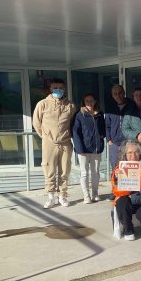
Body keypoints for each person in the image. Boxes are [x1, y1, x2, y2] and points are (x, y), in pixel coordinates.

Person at [32, 78, 76, 208]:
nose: (58, 90)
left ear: (64, 89)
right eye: (55, 88)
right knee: (49, 170)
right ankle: (51, 197)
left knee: (65, 171)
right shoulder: (42, 104)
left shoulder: (70, 105)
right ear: (50, 89)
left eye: (60, 88)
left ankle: (62, 196)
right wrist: (46, 137)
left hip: (65, 142)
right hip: (49, 143)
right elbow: (36, 123)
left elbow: (73, 123)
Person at [72, 93, 105, 203]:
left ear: (95, 102)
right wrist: (79, 148)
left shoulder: (99, 114)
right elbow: (75, 132)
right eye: (87, 101)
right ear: (84, 103)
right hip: (83, 149)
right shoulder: (79, 115)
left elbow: (103, 128)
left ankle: (95, 193)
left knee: (95, 172)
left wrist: (101, 137)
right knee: (84, 173)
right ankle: (86, 195)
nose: (89, 103)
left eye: (91, 100)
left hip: (96, 148)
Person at [105, 84, 133, 186]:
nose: (118, 96)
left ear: (124, 93)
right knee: (115, 166)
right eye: (115, 94)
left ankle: (129, 189)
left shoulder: (131, 104)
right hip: (114, 142)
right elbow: (107, 125)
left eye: (120, 93)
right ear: (112, 95)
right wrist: (109, 139)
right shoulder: (110, 106)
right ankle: (116, 189)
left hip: (129, 142)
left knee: (129, 165)